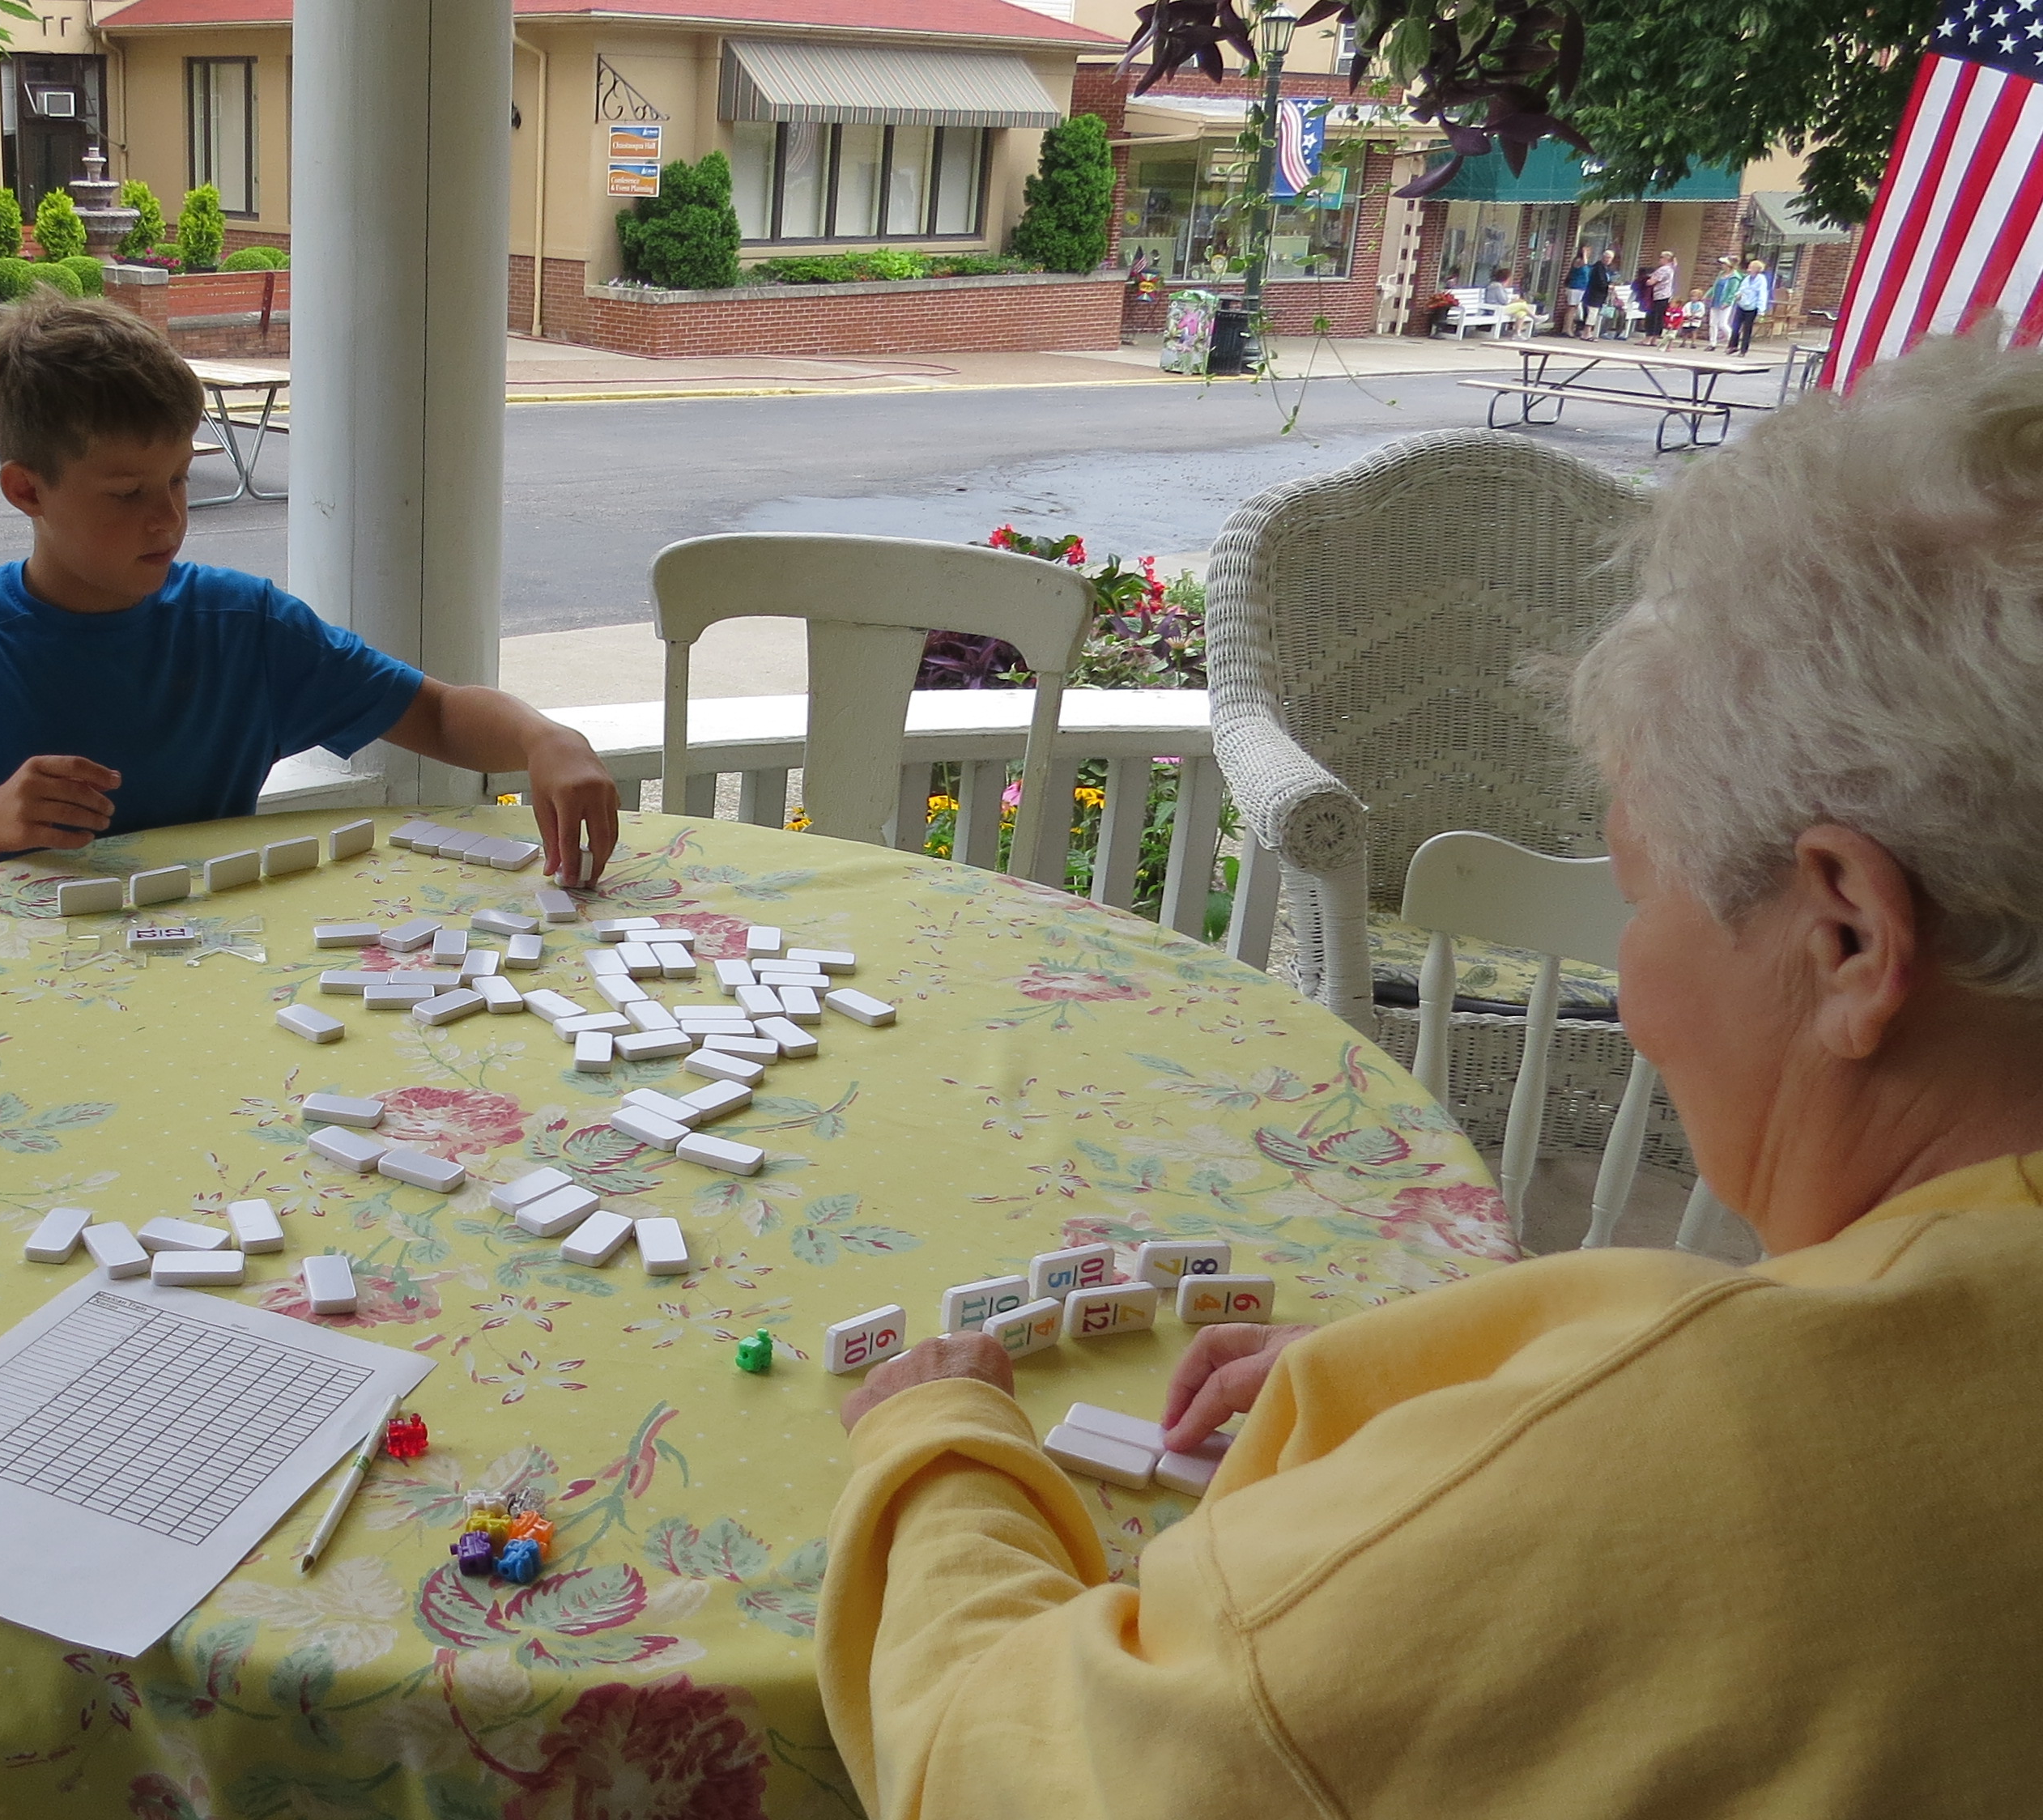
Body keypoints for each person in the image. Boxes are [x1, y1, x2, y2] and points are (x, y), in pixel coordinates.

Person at [815, 327, 2043, 1816]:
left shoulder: (1665, 1469)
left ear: (1846, 936)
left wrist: (939, 1448)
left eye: (1636, 899)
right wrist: (1419, 1382)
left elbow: (1001, 1771)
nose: (1635, 989)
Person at [0, 295, 620, 903]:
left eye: (179, 478)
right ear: (26, 489)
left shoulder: (244, 626)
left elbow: (435, 714)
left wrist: (544, 738)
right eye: (128, 492)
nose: (169, 517)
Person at [1731, 256, 1774, 353]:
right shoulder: (1747, 278)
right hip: (1741, 305)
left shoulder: (1761, 280)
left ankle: (1743, 350)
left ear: (1757, 269)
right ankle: (1733, 346)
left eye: (1751, 267)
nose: (1749, 268)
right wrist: (1737, 295)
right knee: (1736, 326)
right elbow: (1741, 289)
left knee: (1747, 329)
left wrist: (1761, 311)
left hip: (1752, 307)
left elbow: (1762, 295)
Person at [1705, 255, 1743, 348]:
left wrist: (1728, 302)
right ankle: (1712, 343)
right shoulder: (1721, 274)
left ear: (1729, 265)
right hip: (1716, 300)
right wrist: (1707, 295)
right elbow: (1714, 286)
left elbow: (1732, 292)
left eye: (1724, 264)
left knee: (1723, 324)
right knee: (1713, 323)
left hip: (1725, 302)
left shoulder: (1735, 278)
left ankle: (1732, 341)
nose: (1722, 265)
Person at [1647, 247, 1681, 339]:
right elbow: (1675, 264)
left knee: (1653, 317)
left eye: (1661, 257)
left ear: (1667, 259)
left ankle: (1648, 338)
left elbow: (1652, 282)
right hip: (1665, 296)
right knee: (1659, 318)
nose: (1659, 259)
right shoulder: (1671, 268)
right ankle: (1654, 339)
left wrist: (1645, 281)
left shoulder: (1663, 270)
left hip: (1658, 296)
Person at [1561, 246, 1593, 334]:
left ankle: (1570, 328)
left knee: (1575, 309)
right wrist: (1584, 253)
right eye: (1587, 251)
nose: (1589, 253)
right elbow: (1584, 263)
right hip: (1575, 287)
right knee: (1571, 308)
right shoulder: (1578, 261)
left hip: (1582, 288)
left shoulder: (1586, 264)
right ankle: (1567, 329)